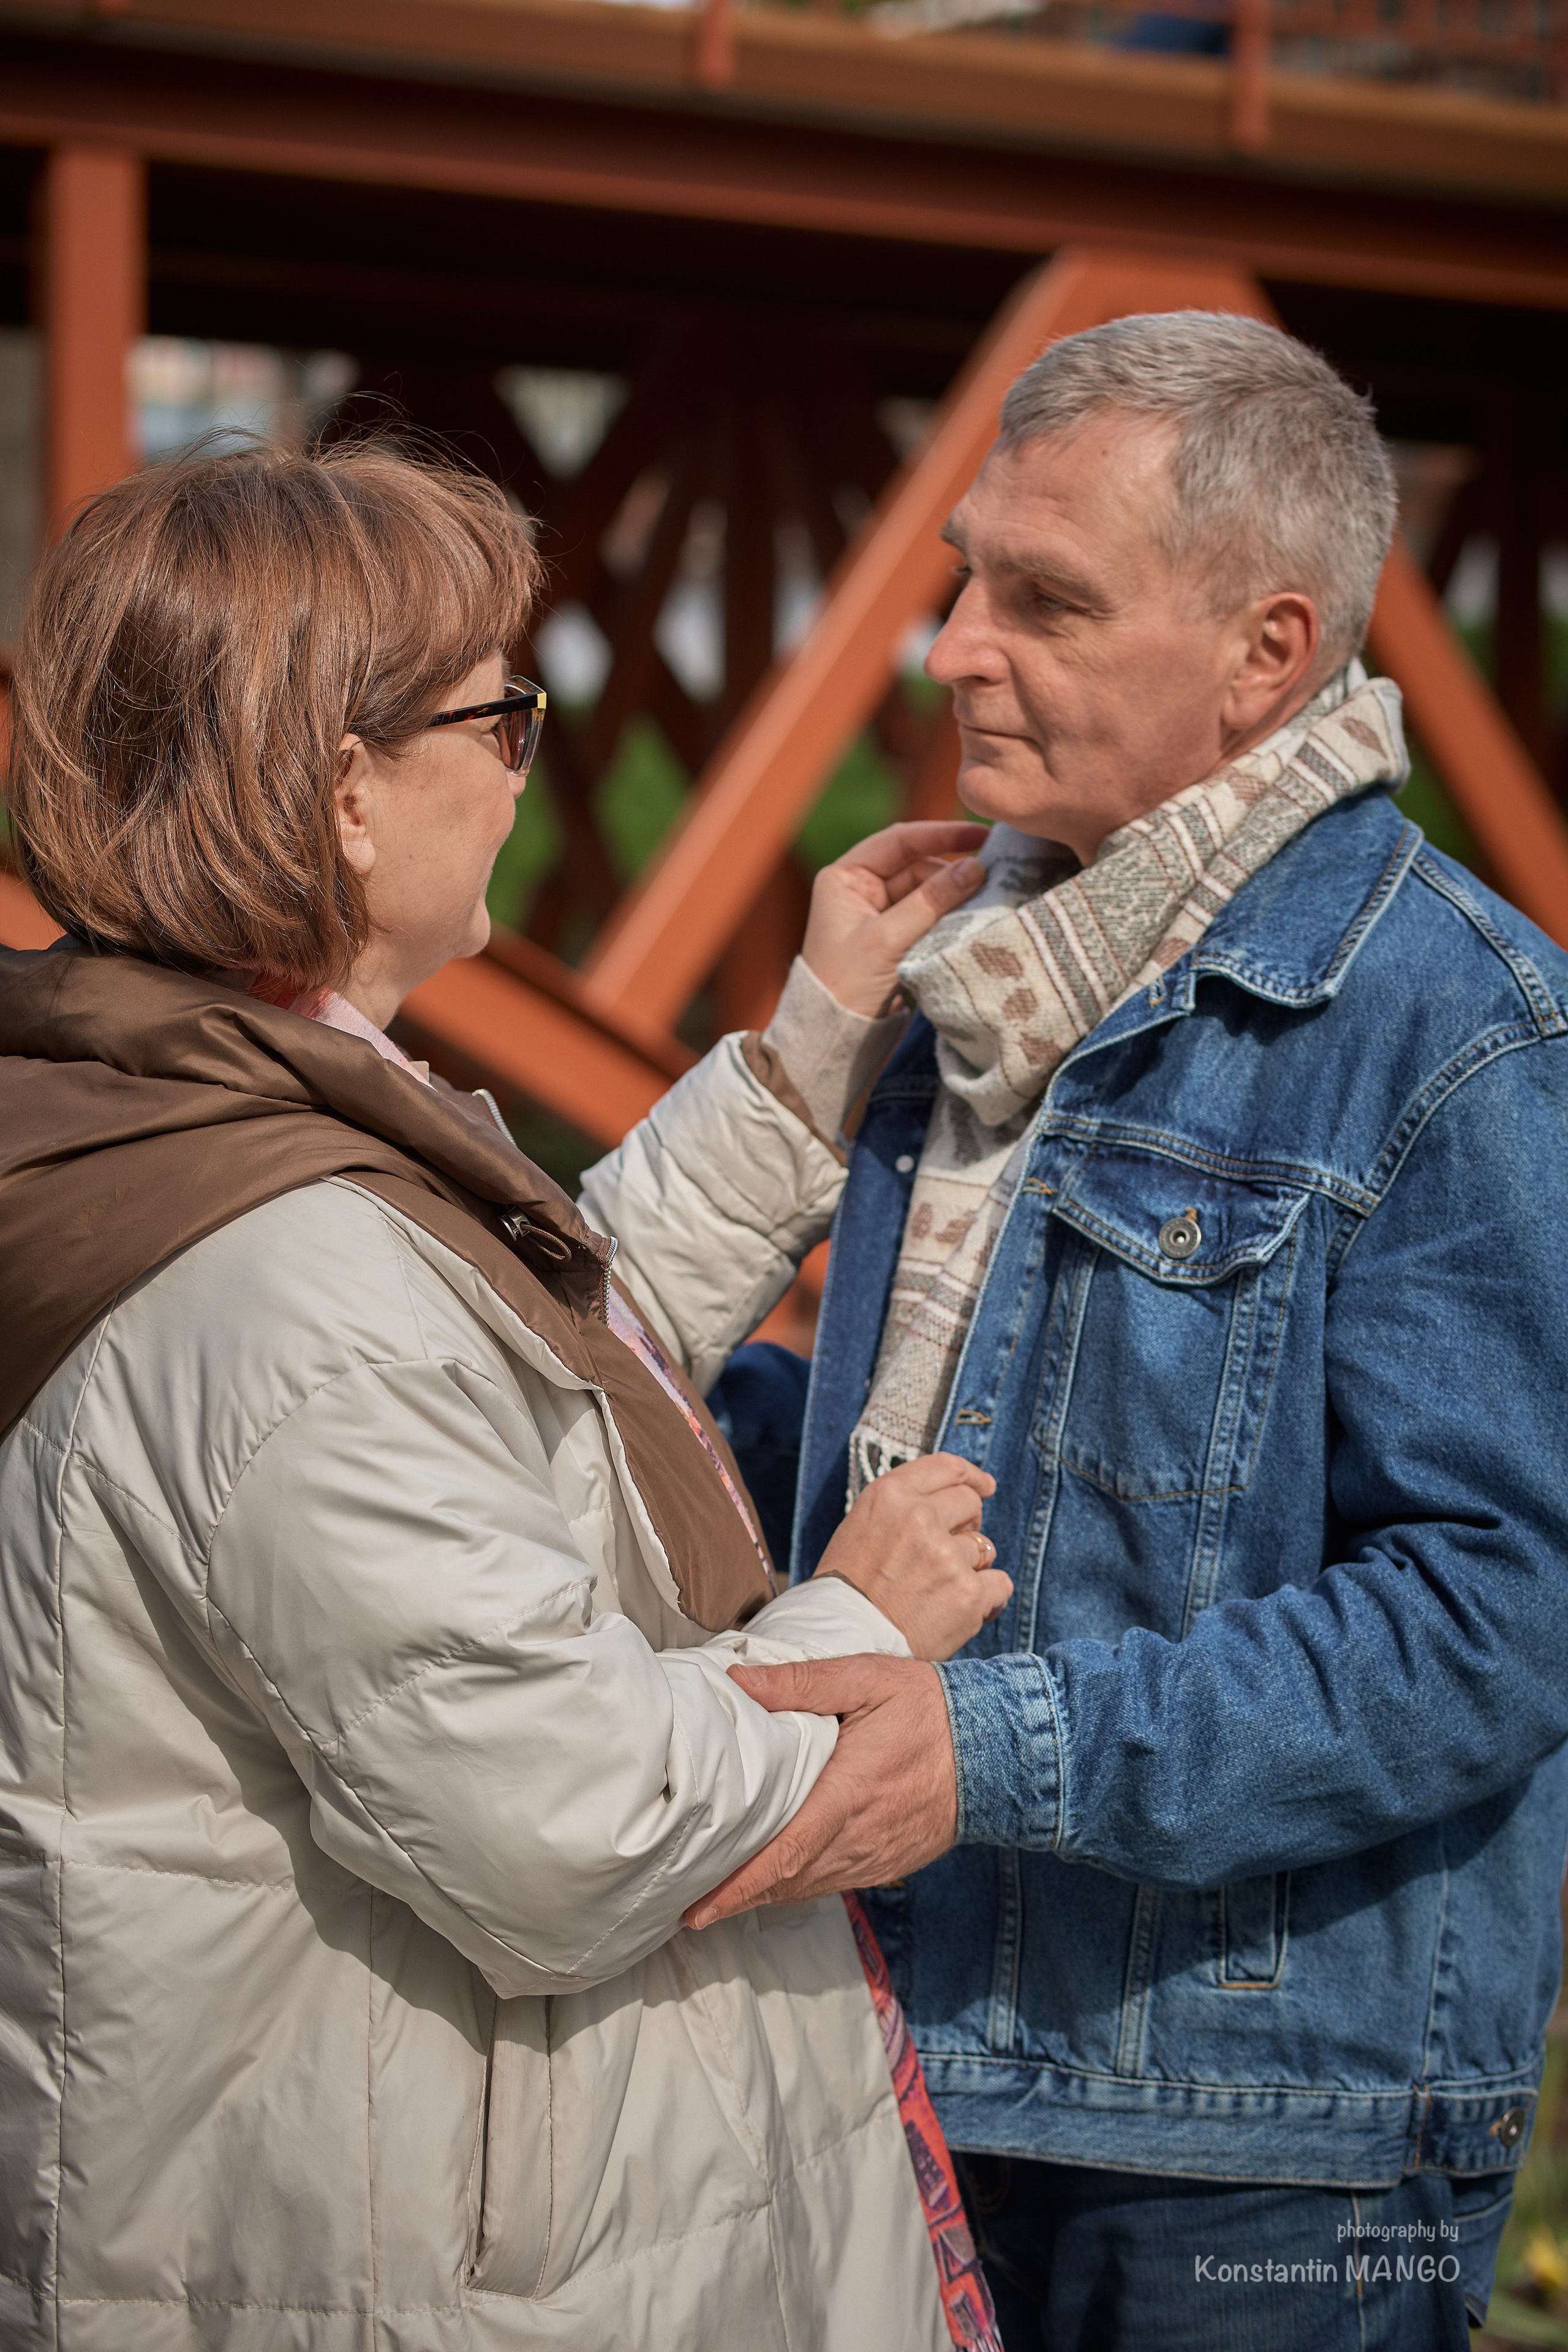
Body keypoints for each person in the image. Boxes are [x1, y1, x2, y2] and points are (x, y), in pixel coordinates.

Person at [0, 440, 1017, 2350]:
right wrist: (858, 1623)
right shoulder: (279, 1283)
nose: (528, 762)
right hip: (436, 2278)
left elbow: (521, 1371)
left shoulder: (176, 1112)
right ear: (344, 791)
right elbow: (569, 1818)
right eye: (506, 715)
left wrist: (802, 1061)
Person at [687, 312, 1568, 2350]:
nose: (950, 651)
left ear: (1267, 654)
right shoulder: (992, 974)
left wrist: (986, 1752)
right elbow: (1028, 1455)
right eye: (964, 581)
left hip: (1255, 2145)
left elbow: (1502, 1615)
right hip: (908, 2045)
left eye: (1042, 602)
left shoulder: (1467, 1032)